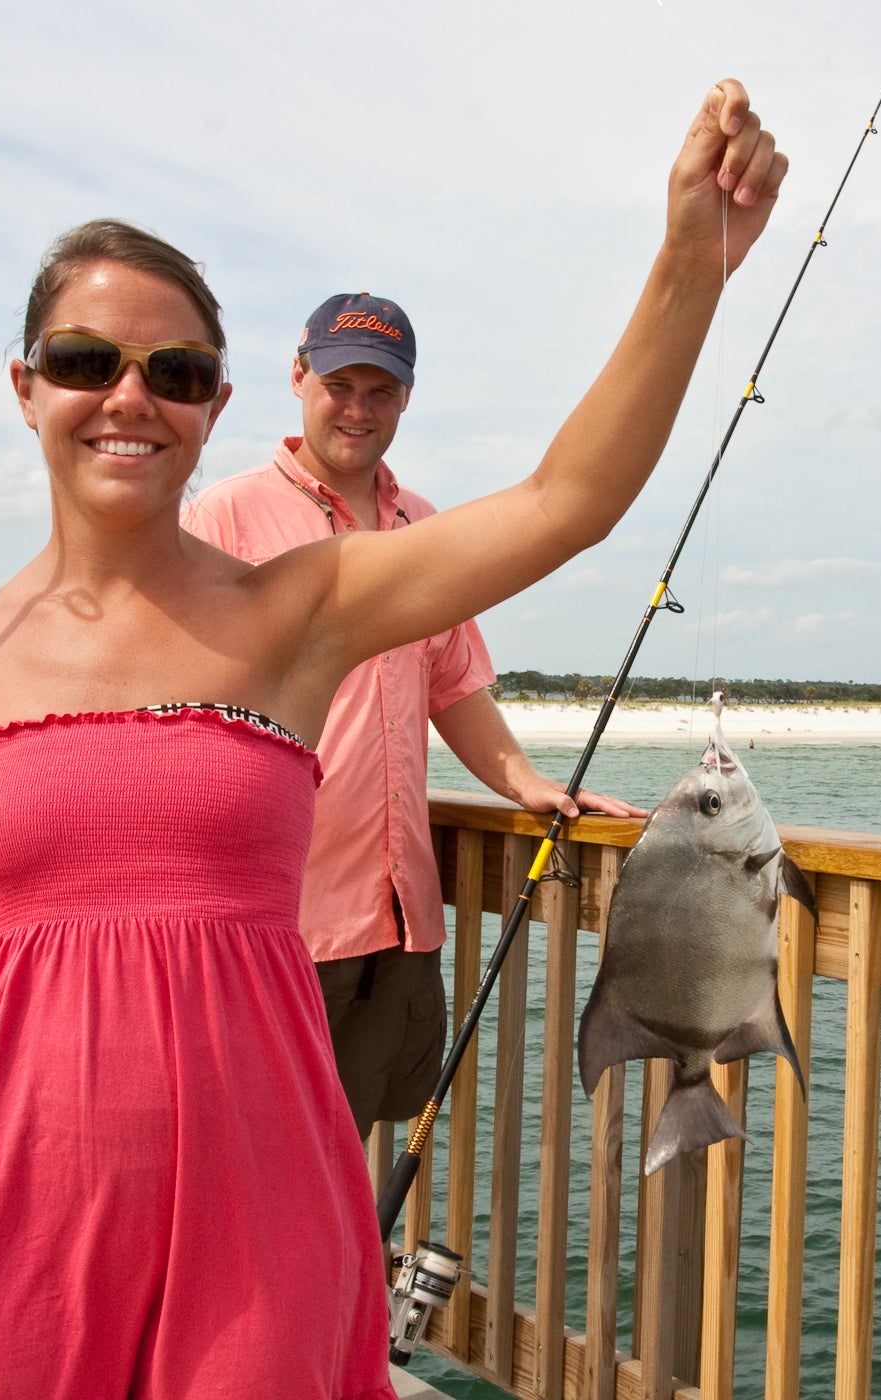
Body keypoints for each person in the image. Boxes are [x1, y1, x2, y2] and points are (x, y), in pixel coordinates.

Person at [0, 79, 785, 1400]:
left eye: (176, 372)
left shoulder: (306, 607)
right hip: (13, 1193)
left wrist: (690, 265)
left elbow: (571, 501)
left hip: (260, 1201)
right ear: (25, 387)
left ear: (215, 403)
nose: (130, 398)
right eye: (88, 362)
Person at [184, 293, 644, 1137]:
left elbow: (453, 681)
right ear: (297, 377)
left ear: (405, 397)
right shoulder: (225, 515)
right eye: (339, 384)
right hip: (276, 918)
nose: (358, 408)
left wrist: (526, 782)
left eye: (380, 391)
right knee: (252, 1145)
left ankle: (342, 1272)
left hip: (398, 918)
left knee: (351, 1136)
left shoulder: (420, 524)